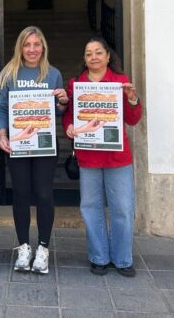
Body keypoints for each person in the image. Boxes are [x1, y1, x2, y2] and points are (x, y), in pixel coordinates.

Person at [62, 36, 142, 277]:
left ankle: (123, 259)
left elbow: (133, 119)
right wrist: (69, 127)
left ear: (108, 56)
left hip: (117, 157)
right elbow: (69, 115)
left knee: (122, 209)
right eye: (88, 54)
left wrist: (132, 99)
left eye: (98, 52)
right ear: (84, 60)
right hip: (88, 157)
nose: (93, 57)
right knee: (90, 208)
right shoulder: (75, 84)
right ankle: (99, 257)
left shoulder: (120, 82)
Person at [0, 26, 69, 275]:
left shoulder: (54, 74)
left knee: (44, 195)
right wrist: (2, 134)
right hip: (18, 144)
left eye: (37, 44)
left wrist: (62, 101)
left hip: (45, 145)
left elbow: (58, 112)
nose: (32, 49)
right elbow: (2, 108)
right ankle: (24, 247)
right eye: (27, 45)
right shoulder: (9, 73)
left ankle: (44, 248)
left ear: (43, 47)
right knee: (21, 195)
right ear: (20, 47)